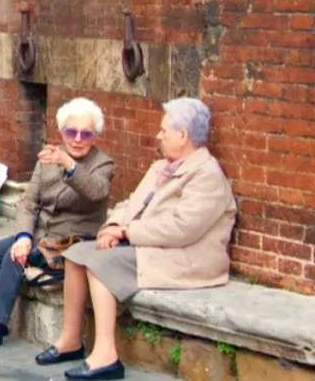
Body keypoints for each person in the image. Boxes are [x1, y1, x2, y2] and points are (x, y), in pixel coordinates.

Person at [39, 98, 234, 381]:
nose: (159, 135)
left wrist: (127, 233)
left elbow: (183, 229)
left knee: (99, 262)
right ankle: (70, 340)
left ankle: (106, 356)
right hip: (150, 246)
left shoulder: (207, 174)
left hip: (187, 258)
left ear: (183, 136)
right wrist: (114, 226)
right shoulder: (160, 167)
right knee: (76, 254)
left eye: (164, 130)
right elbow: (130, 204)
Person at [0, 97, 115, 350]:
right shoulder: (46, 160)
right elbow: (29, 203)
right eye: (72, 132)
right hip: (40, 235)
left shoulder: (102, 164)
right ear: (62, 132)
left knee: (14, 257)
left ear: (95, 136)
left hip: (71, 242)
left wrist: (70, 165)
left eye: (86, 133)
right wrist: (24, 237)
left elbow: (96, 191)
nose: (78, 139)